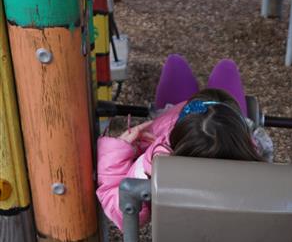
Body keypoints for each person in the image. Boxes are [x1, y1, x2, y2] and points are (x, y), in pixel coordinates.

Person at [97, 55, 270, 230]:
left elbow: (123, 212)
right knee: (227, 68)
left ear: (178, 134)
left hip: (174, 120)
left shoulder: (155, 163)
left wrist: (116, 152)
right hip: (223, 128)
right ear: (241, 135)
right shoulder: (252, 163)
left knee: (176, 64)